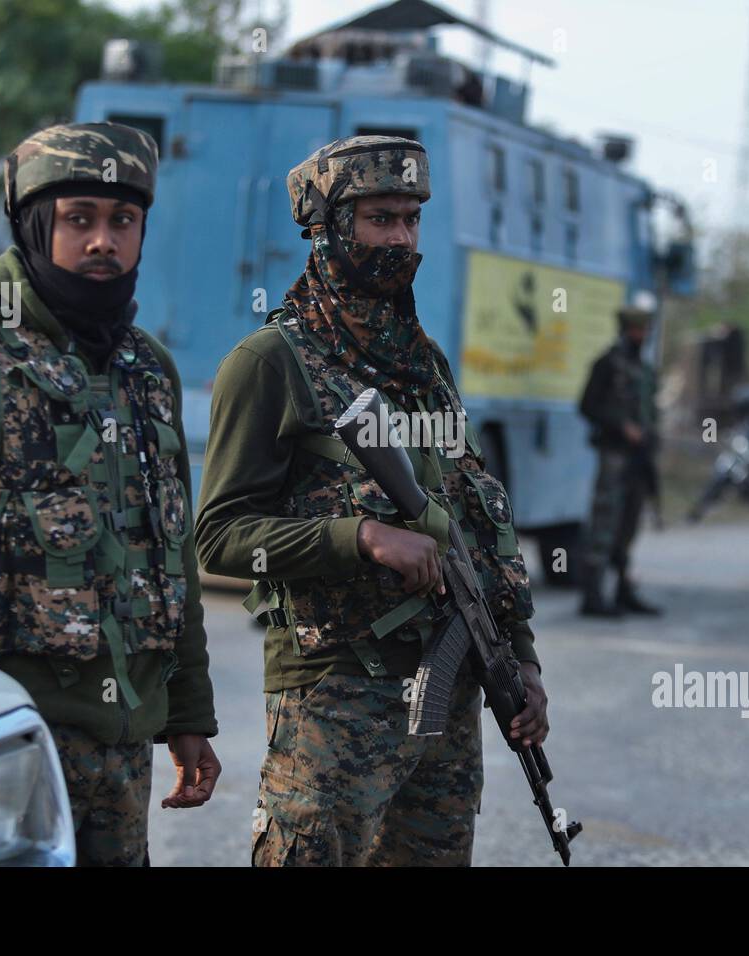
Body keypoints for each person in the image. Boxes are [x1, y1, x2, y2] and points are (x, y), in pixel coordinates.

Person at [0, 122, 219, 866]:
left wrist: (187, 711)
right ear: (33, 225)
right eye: (78, 219)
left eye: (122, 221)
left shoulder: (147, 370)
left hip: (122, 749)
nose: (102, 242)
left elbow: (171, 550)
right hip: (4, 741)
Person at [195, 135, 549, 867]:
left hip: (448, 699)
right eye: (380, 218)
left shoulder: (425, 365)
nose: (400, 238)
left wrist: (521, 659)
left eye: (411, 220)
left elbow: (479, 520)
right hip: (336, 694)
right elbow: (221, 537)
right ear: (327, 229)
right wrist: (360, 538)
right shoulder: (271, 363)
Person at [577, 292, 664, 618]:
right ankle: (593, 596)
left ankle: (624, 589)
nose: (642, 336)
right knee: (604, 525)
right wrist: (621, 426)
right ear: (627, 330)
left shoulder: (643, 369)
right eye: (638, 330)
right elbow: (587, 406)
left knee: (628, 528)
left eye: (645, 331)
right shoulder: (607, 364)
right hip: (614, 456)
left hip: (640, 460)